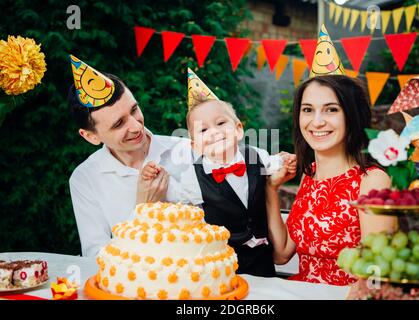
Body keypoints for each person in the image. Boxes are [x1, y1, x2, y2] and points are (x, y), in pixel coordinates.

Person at [143, 68, 296, 277]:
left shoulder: (257, 156)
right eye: (203, 130)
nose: (214, 132)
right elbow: (172, 205)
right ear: (195, 145)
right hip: (220, 267)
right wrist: (153, 175)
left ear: (239, 129)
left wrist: (287, 160)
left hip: (263, 261)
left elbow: (277, 163)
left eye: (221, 123)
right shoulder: (191, 179)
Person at [266, 75, 398, 285]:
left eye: (331, 109)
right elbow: (281, 254)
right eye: (308, 109)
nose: (317, 122)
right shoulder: (310, 176)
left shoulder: (372, 180)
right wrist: (271, 189)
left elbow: (377, 275)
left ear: (352, 116)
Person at [67, 55, 191, 257]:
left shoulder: (187, 150)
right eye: (118, 124)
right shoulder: (85, 179)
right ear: (91, 136)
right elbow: (96, 257)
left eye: (134, 109)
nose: (136, 126)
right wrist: (143, 209)